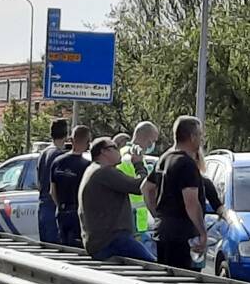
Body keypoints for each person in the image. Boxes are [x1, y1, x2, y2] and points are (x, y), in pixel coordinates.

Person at [142, 116, 208, 271]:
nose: (201, 140)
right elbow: (191, 202)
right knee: (182, 281)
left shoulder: (165, 158)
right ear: (192, 137)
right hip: (181, 235)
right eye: (199, 135)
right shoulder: (187, 164)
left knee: (165, 280)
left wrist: (157, 213)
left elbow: (146, 188)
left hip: (163, 231)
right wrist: (202, 232)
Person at [78, 137, 154, 262]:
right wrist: (139, 164)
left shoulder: (93, 169)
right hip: (112, 239)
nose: (119, 150)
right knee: (153, 266)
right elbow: (140, 186)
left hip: (101, 240)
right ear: (104, 151)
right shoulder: (104, 172)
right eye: (114, 147)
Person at [49, 125, 92, 248]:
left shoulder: (57, 162)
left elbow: (52, 191)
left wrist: (60, 207)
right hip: (78, 213)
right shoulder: (87, 166)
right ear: (87, 142)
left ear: (71, 140)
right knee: (78, 251)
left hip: (62, 211)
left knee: (64, 247)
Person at [118, 121, 160, 243]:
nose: (153, 145)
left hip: (134, 220)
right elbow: (141, 184)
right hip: (133, 220)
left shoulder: (124, 152)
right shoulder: (133, 156)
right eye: (153, 140)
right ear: (147, 139)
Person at [36, 118, 68, 243]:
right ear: (66, 134)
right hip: (54, 205)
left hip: (42, 205)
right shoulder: (60, 156)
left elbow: (39, 181)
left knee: (46, 249)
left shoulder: (43, 153)